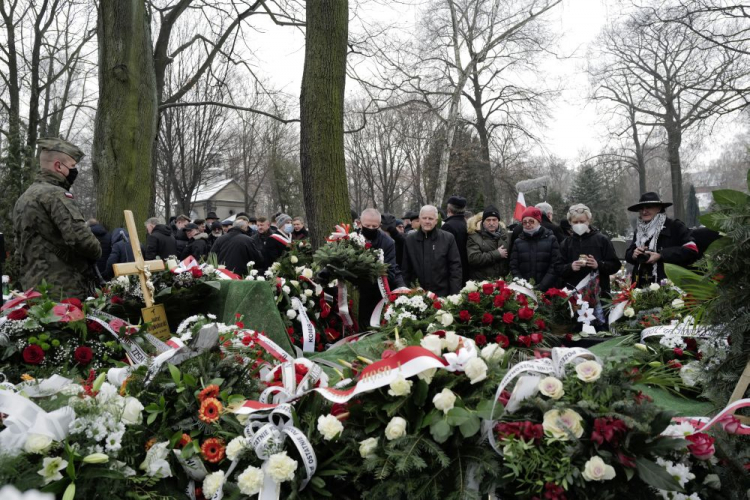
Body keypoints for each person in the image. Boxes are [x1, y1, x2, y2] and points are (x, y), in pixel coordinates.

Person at [13, 137, 102, 299]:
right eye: (72, 166)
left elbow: (18, 250)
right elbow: (81, 240)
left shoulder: (24, 198)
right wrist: (98, 250)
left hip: (32, 289)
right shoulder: (56, 195)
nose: (75, 171)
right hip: (63, 290)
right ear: (58, 166)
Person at [625, 192, 698, 286]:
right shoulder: (639, 230)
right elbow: (629, 254)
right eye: (641, 208)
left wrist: (661, 255)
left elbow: (692, 250)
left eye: (649, 207)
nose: (644, 211)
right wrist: (634, 254)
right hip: (641, 285)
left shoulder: (674, 226)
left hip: (669, 285)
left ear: (659, 208)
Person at [558, 204, 620, 299]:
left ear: (589, 220)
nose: (579, 224)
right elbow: (557, 268)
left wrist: (598, 265)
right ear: (570, 222)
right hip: (573, 295)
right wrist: (570, 267)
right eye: (575, 222)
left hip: (599, 295)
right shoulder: (565, 243)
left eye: (582, 221)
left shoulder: (602, 240)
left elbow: (615, 265)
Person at [357, 209, 406, 325]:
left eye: (374, 226)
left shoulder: (387, 242)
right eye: (367, 225)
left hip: (378, 292)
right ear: (360, 223)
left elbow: (390, 270)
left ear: (380, 225)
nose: (370, 228)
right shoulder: (352, 238)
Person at [402, 205, 462, 297]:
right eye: (424, 218)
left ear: (436, 220)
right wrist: (406, 294)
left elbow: (455, 269)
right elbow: (406, 270)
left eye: (430, 218)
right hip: (416, 296)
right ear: (419, 219)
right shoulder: (410, 240)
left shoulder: (448, 238)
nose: (427, 221)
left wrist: (454, 295)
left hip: (442, 295)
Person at [509, 207, 560, 292]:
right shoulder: (518, 242)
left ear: (538, 221)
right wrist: (523, 284)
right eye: (524, 222)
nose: (528, 224)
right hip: (524, 290)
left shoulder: (551, 239)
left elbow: (555, 265)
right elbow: (513, 266)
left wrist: (542, 286)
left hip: (547, 289)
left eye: (531, 221)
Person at [467, 206, 509, 281]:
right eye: (488, 220)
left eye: (494, 220)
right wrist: (496, 254)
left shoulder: (505, 235)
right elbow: (473, 258)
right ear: (483, 221)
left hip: (502, 282)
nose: (491, 223)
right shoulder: (474, 236)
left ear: (498, 221)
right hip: (482, 283)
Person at [442, 195, 470, 285]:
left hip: (452, 271)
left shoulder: (448, 226)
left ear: (449, 210)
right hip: (466, 269)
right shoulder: (466, 224)